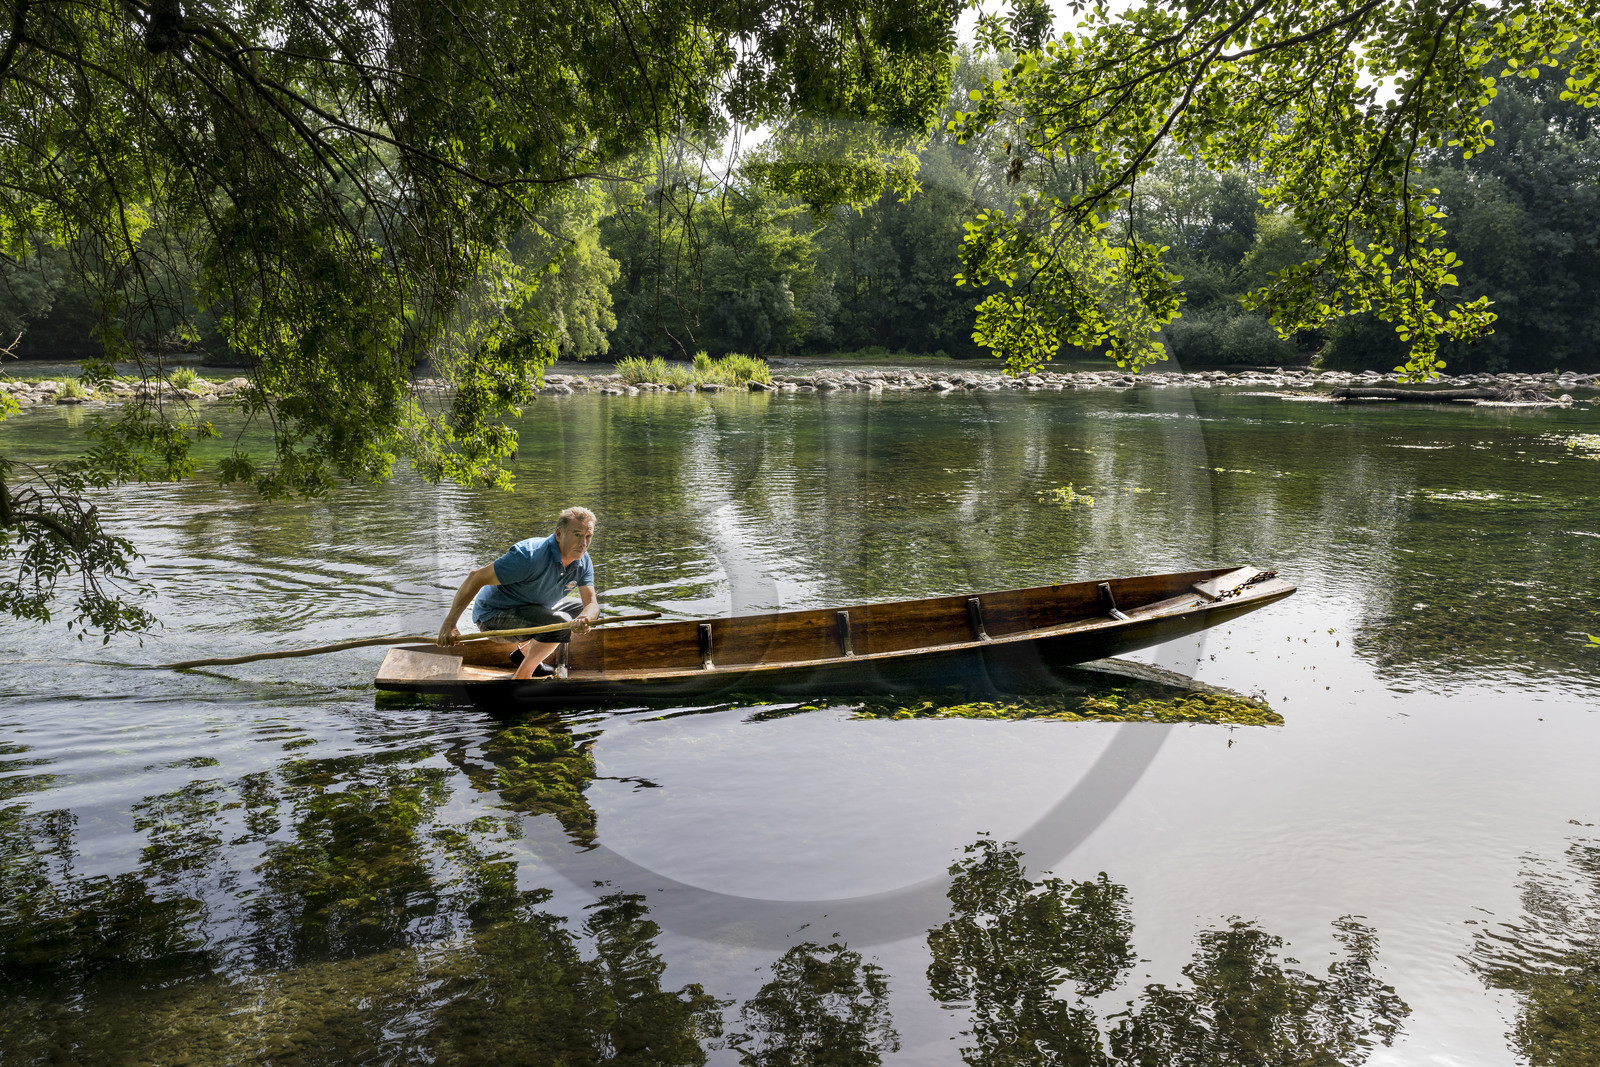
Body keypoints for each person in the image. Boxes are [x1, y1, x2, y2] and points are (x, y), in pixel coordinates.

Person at [438, 506, 600, 680]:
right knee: (561, 622)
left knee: (578, 611)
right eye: (577, 535)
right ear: (559, 534)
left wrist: (584, 618)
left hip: (533, 609)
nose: (584, 544)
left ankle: (524, 653)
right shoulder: (529, 556)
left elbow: (591, 604)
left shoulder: (583, 560)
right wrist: (449, 625)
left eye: (588, 536)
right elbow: (475, 577)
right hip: (493, 617)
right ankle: (522, 678)